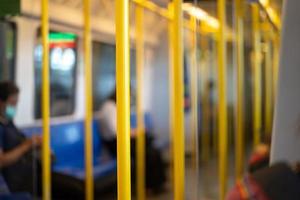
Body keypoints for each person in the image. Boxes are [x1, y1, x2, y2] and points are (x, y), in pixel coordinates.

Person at [98, 89, 167, 193]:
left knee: (152, 151)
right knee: (147, 153)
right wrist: (135, 132)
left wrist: (135, 131)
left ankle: (156, 183)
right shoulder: (109, 108)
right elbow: (116, 131)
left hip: (121, 140)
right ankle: (149, 185)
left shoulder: (115, 106)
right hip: (114, 143)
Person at [0, 81, 42, 194]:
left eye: (16, 103)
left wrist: (34, 142)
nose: (14, 108)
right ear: (1, 102)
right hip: (12, 185)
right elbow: (1, 161)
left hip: (24, 180)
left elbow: (18, 141)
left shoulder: (9, 122)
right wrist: (26, 146)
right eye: (12, 103)